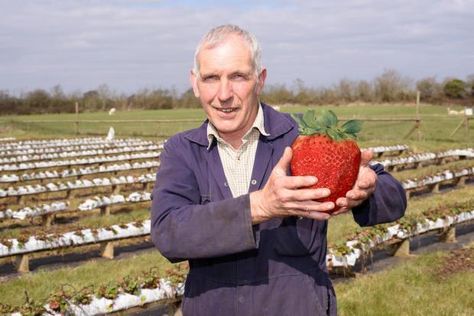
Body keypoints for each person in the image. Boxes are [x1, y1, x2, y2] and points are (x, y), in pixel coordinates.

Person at [151, 24, 406, 316]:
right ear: (195, 83)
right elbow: (168, 232)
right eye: (211, 78)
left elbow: (395, 199)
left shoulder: (305, 137)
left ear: (260, 80)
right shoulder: (182, 151)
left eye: (238, 77)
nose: (223, 94)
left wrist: (369, 189)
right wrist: (260, 205)